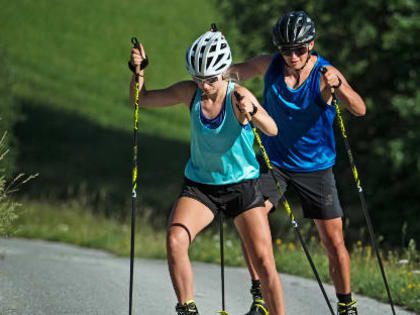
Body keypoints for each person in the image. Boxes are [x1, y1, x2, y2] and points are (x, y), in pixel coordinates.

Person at [129, 26, 286, 315]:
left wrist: (252, 111)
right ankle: (187, 309)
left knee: (264, 262)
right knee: (175, 240)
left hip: (243, 187)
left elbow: (273, 129)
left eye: (211, 79)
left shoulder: (237, 95)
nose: (204, 85)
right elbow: (142, 100)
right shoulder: (190, 94)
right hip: (201, 187)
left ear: (224, 71)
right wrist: (138, 71)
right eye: (198, 78)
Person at [229, 10, 366, 315]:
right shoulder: (270, 65)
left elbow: (359, 109)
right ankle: (260, 298)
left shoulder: (325, 73)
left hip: (316, 167)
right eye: (286, 50)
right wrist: (219, 56)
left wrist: (339, 86)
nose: (292, 56)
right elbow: (229, 72)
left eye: (299, 49)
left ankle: (346, 305)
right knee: (252, 220)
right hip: (274, 162)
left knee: (333, 242)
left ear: (311, 44)